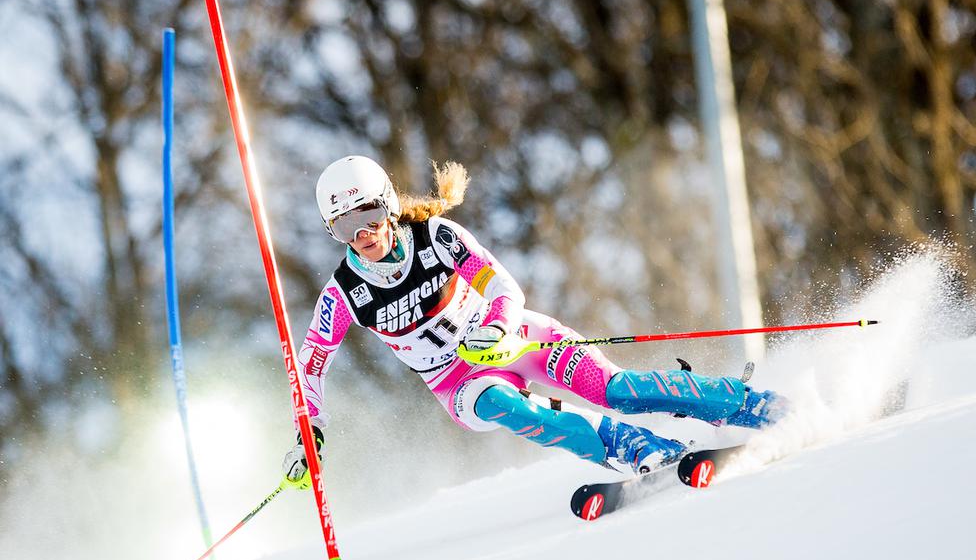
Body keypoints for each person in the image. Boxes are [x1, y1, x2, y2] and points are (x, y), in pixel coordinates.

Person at [282, 156, 785, 486]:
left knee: (619, 390)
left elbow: (504, 287)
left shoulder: (435, 237)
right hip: (459, 381)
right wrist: (311, 430)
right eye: (344, 225)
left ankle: (747, 405)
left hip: (518, 339)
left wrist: (498, 329)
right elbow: (312, 366)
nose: (361, 233)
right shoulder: (344, 293)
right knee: (508, 406)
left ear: (388, 206)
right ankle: (638, 448)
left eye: (367, 215)